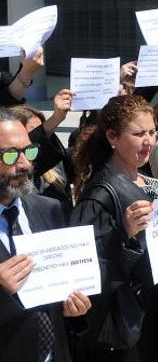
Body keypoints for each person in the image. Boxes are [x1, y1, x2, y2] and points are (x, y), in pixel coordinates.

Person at [70, 95, 158, 361]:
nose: (148, 141)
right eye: (138, 134)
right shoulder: (99, 196)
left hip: (156, 310)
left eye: (151, 132)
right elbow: (86, 272)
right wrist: (124, 233)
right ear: (113, 137)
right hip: (125, 325)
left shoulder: (149, 183)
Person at [0, 109, 92, 362]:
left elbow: (63, 300)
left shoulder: (51, 209)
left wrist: (76, 310)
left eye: (28, 151)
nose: (25, 164)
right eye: (10, 155)